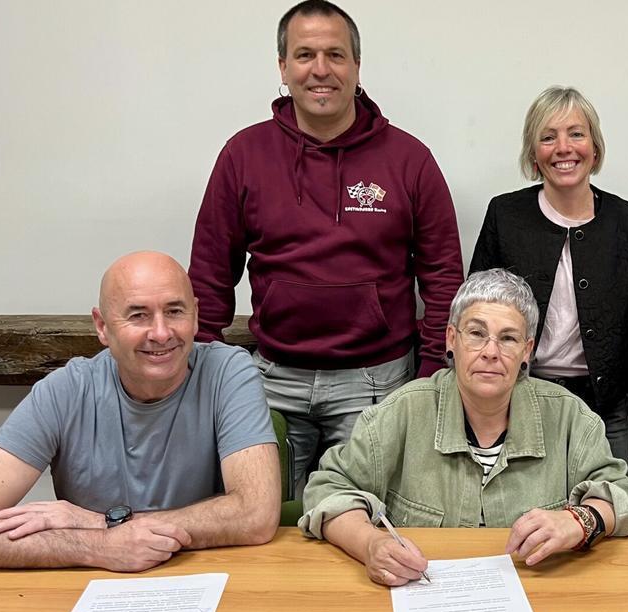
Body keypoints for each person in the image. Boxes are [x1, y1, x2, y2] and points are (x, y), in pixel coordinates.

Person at [189, 0, 464, 499]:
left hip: (377, 385)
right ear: (283, 67)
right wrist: (203, 371)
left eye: (335, 55)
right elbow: (209, 274)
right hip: (271, 382)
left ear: (357, 65)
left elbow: (444, 278)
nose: (321, 69)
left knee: (368, 525)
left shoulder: (409, 160)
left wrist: (430, 375)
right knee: (260, 523)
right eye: (305, 55)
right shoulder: (243, 156)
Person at [0, 252, 280, 572]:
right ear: (102, 327)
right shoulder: (64, 391)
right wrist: (99, 547)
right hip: (91, 587)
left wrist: (102, 524)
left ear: (196, 315)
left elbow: (255, 514)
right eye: (138, 315)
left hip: (206, 579)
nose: (161, 332)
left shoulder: (228, 372)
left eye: (174, 311)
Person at [299, 269, 628, 586]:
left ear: (527, 351)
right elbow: (327, 489)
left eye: (508, 339)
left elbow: (625, 495)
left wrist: (579, 520)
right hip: (422, 600)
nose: (490, 352)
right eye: (477, 333)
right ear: (451, 339)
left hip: (541, 599)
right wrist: (370, 543)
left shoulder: (569, 416)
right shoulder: (402, 412)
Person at [470, 86, 628, 471]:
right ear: (533, 153)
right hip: (520, 400)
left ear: (594, 147)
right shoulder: (505, 216)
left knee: (611, 513)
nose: (563, 147)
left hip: (606, 408)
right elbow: (476, 313)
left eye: (576, 133)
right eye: (548, 137)